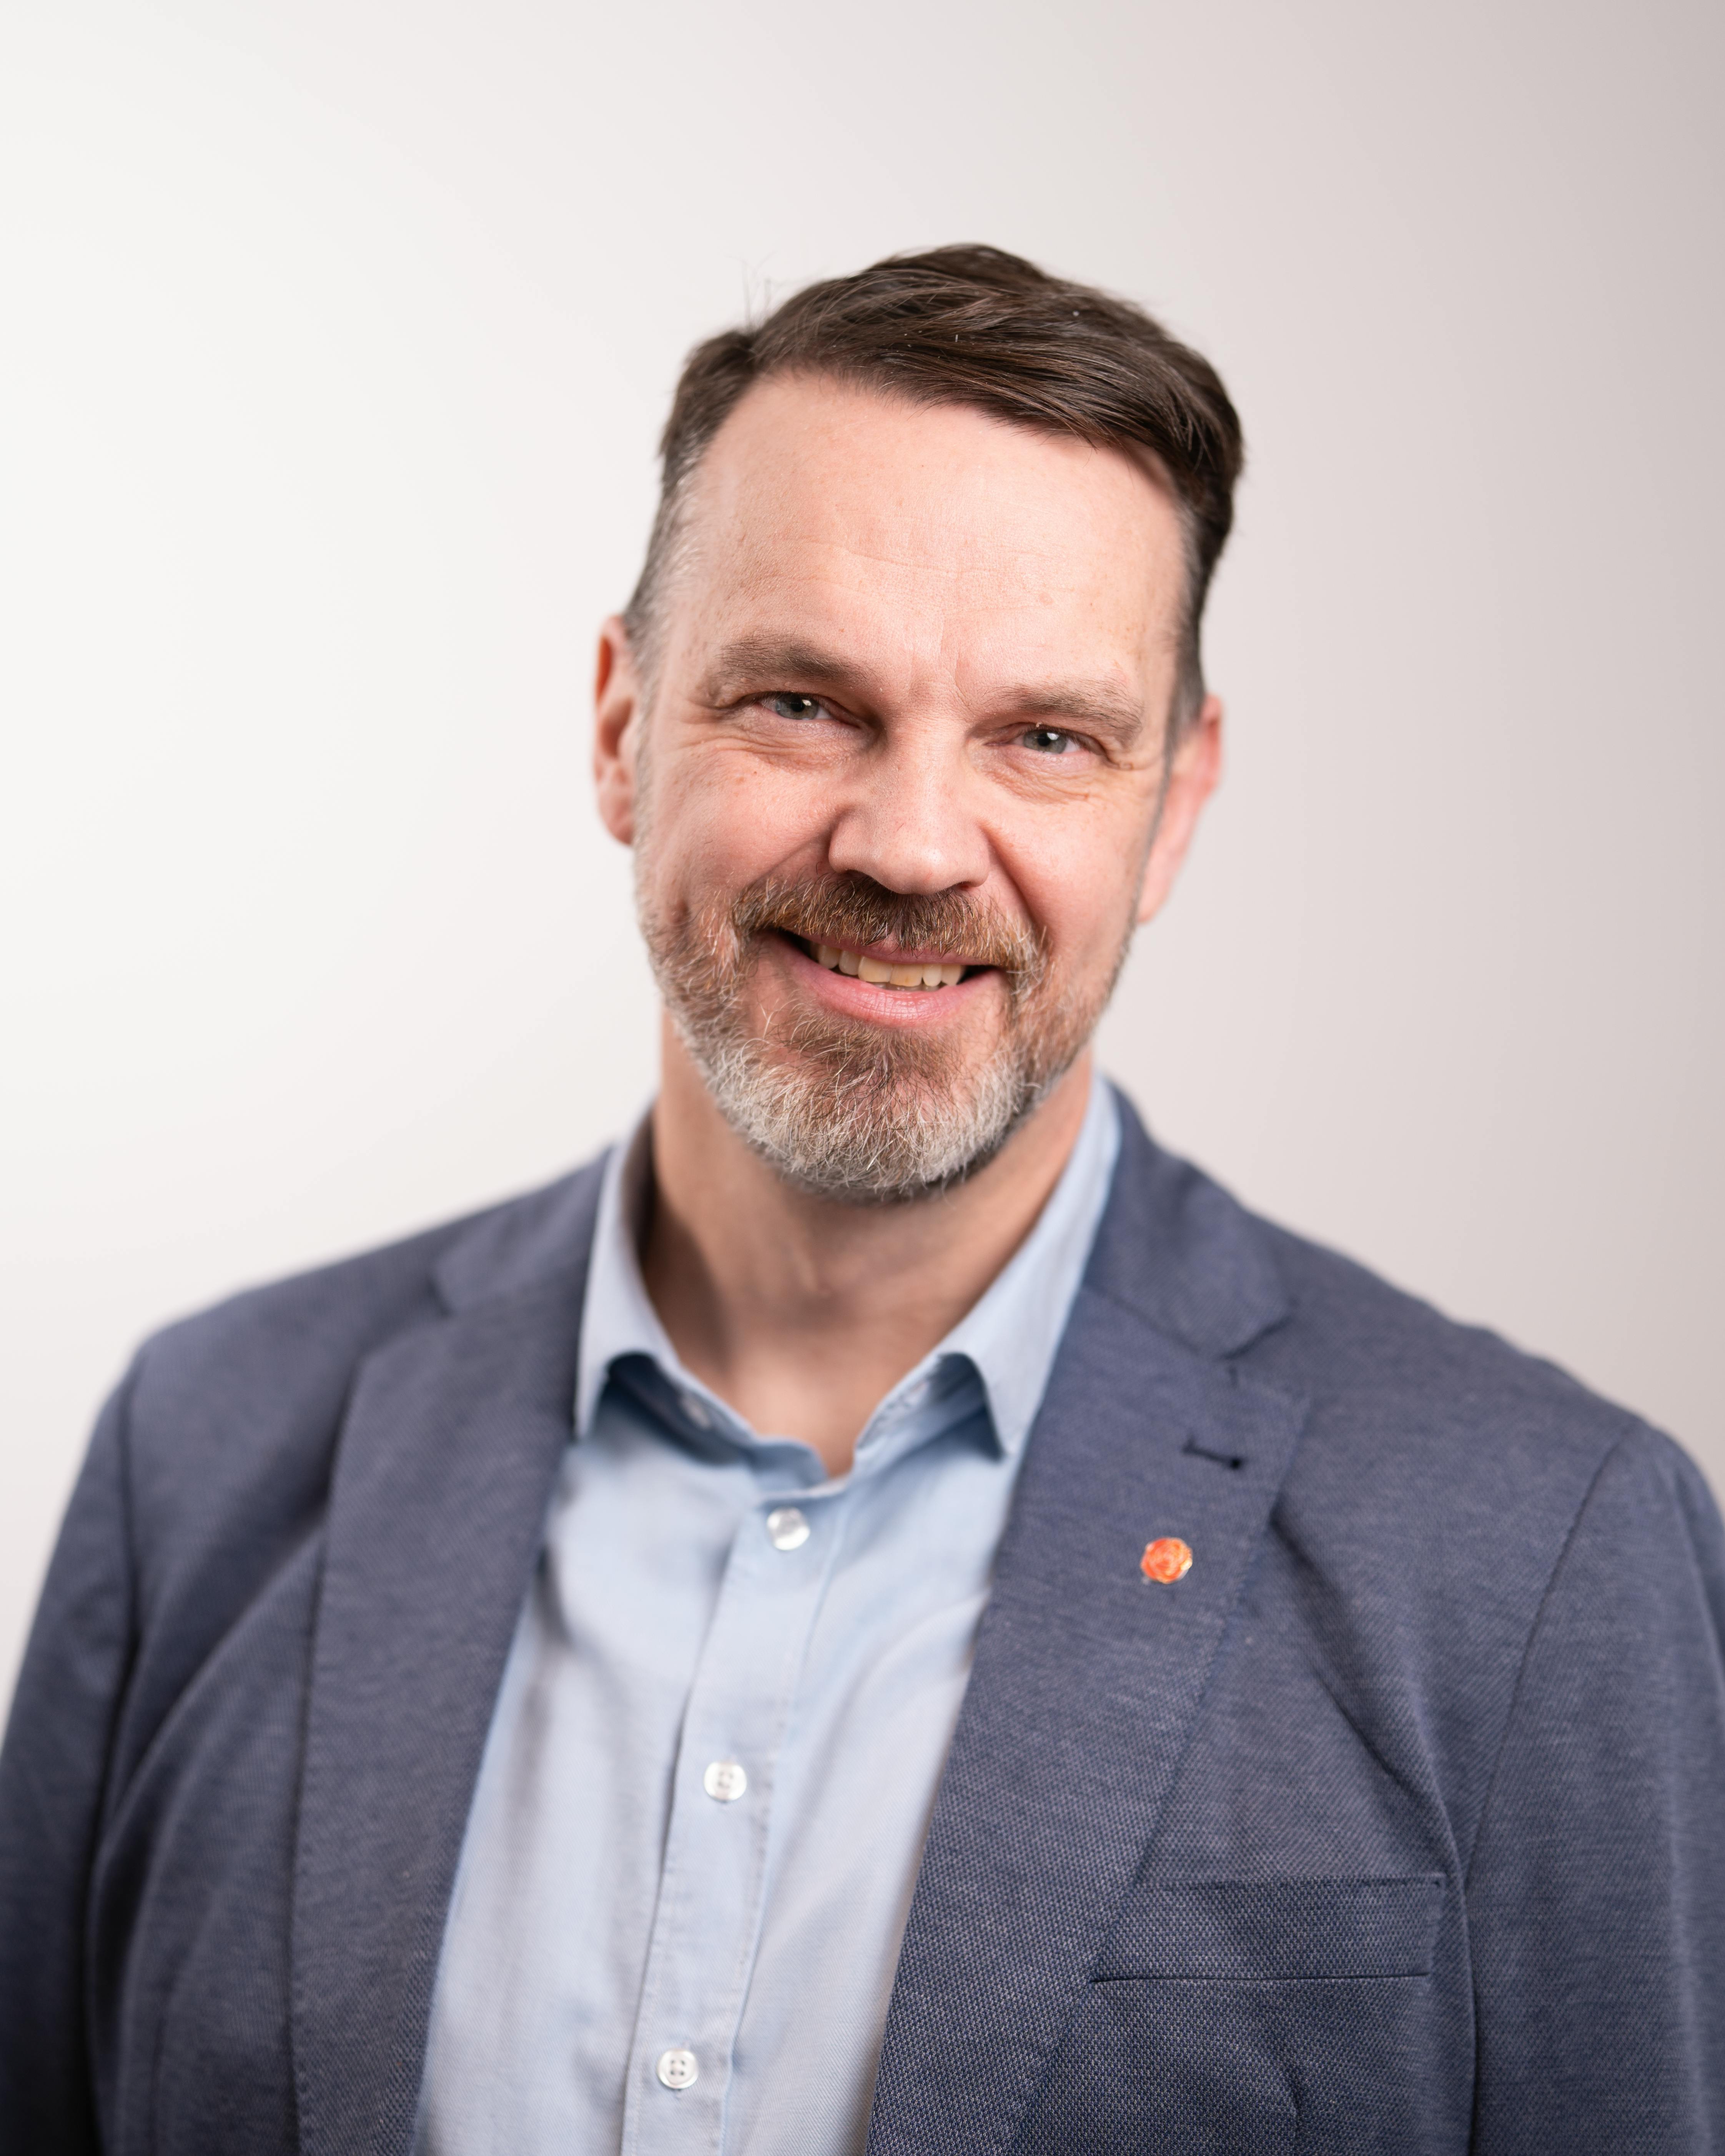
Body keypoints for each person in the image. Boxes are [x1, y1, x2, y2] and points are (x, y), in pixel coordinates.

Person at [2, 245, 1721, 2156]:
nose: (908, 846)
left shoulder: (1541, 1553)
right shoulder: (203, 1450)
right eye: (807, 701)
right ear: (619, 727)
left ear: (1175, 803)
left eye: (1046, 737)